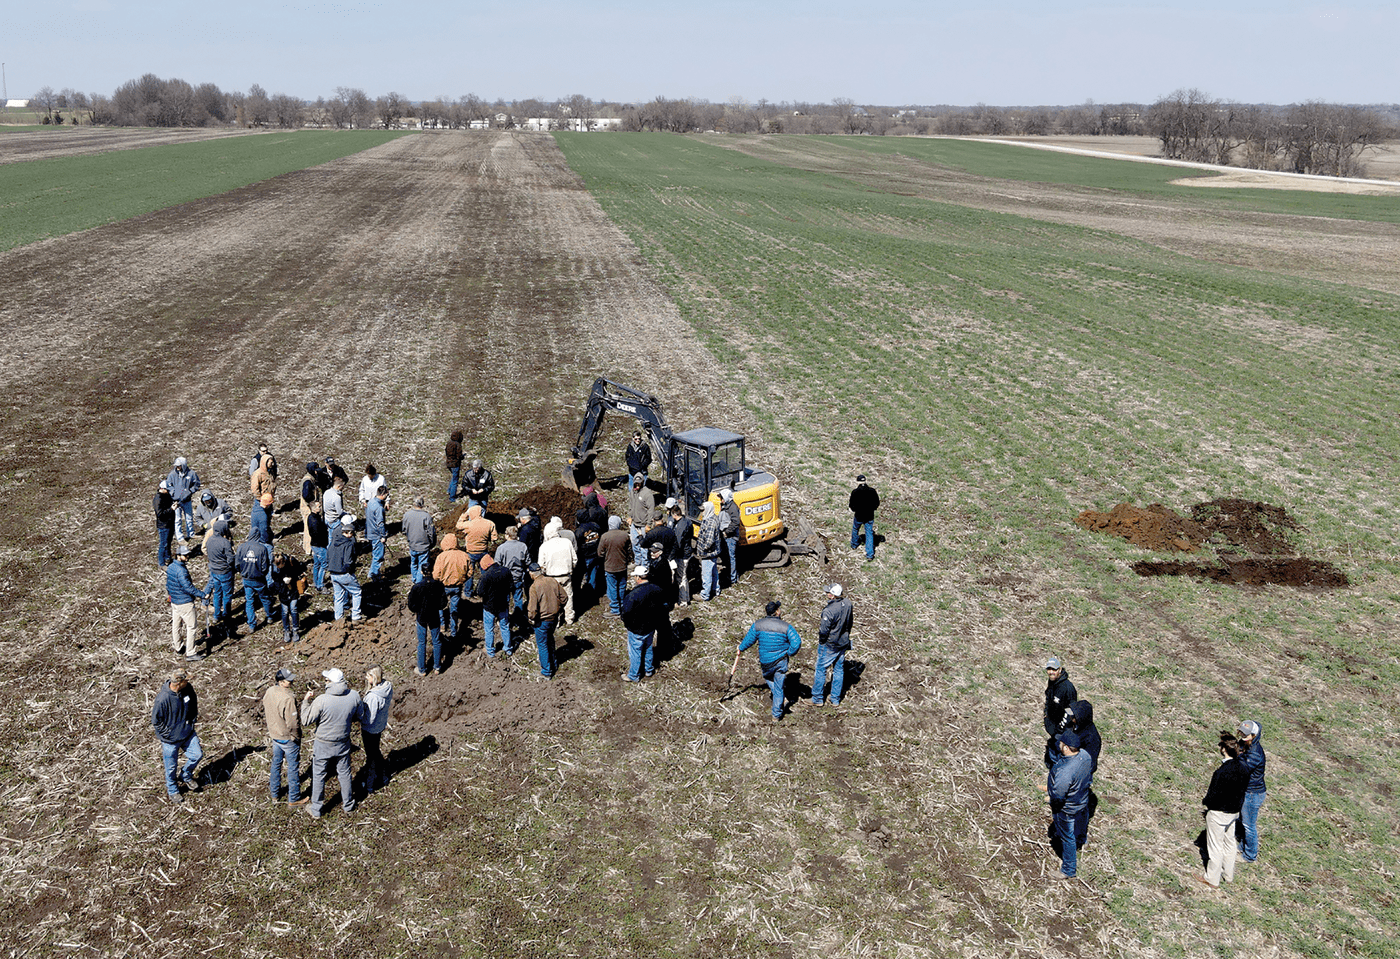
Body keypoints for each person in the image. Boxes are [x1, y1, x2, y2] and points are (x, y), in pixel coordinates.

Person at [300, 667, 363, 818]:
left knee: (319, 774)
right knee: (344, 772)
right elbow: (360, 714)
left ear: (329, 682)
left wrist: (305, 702)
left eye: (326, 679)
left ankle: (316, 809)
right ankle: (348, 804)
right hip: (343, 742)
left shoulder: (322, 700)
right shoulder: (354, 695)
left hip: (323, 743)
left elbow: (305, 720)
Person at [733, 600, 802, 721]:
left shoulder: (758, 625)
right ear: (777, 612)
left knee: (769, 678)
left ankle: (778, 705)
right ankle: (776, 714)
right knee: (779, 686)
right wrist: (790, 652)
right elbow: (796, 642)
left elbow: (749, 640)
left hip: (766, 661)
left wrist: (740, 648)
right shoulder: (786, 626)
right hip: (781, 661)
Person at [1199, 734, 1249, 888]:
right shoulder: (1244, 769)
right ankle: (1228, 875)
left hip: (1218, 813)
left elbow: (1213, 795)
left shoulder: (1221, 772)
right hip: (1234, 813)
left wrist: (1206, 804)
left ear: (1224, 749)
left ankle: (1212, 879)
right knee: (1230, 843)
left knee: (1215, 846)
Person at [1042, 730, 1093, 879]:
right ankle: (1082, 838)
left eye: (1061, 742)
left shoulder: (1065, 771)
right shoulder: (1085, 756)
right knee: (1082, 819)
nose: (1058, 744)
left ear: (1065, 747)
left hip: (1067, 807)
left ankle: (1068, 869)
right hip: (1082, 800)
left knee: (1067, 836)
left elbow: (1059, 794)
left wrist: (1054, 803)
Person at [152, 668, 202, 803]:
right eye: (186, 680)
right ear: (179, 683)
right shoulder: (163, 699)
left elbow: (193, 704)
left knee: (197, 755)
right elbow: (156, 722)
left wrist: (191, 721)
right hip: (170, 741)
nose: (189, 682)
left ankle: (186, 775)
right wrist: (168, 734)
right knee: (171, 767)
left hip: (187, 733)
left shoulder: (188, 689)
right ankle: (173, 790)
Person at [263, 667, 309, 806]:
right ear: (281, 681)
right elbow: (292, 723)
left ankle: (275, 794)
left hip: (275, 735)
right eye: (289, 680)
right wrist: (297, 736)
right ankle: (294, 798)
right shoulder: (288, 698)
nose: (292, 681)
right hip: (287, 738)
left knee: (276, 764)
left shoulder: (270, 691)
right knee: (293, 768)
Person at [620, 564, 666, 682]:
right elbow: (663, 606)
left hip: (636, 628)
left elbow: (626, 613)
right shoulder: (657, 589)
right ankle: (649, 669)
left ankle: (633, 675)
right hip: (651, 626)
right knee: (648, 647)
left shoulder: (633, 595)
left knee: (635, 651)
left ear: (638, 578)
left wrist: (627, 624)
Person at [810, 583, 854, 707]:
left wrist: (822, 641)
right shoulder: (848, 604)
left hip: (830, 645)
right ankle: (835, 699)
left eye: (828, 592)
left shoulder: (828, 611)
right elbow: (850, 622)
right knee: (839, 670)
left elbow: (824, 630)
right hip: (843, 643)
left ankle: (817, 698)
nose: (827, 594)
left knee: (821, 669)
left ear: (832, 595)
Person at [166, 547, 208, 661]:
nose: (187, 557)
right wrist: (202, 594)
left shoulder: (170, 567)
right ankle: (190, 653)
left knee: (176, 625)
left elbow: (168, 585)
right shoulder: (182, 571)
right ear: (178, 555)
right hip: (185, 603)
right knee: (192, 627)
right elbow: (188, 587)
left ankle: (178, 646)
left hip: (175, 602)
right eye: (185, 555)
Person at [526, 562, 566, 679]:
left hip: (542, 621)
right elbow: (564, 597)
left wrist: (531, 618)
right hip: (554, 619)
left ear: (532, 573)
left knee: (542, 645)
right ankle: (554, 664)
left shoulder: (534, 587)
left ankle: (546, 672)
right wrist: (558, 608)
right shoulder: (552, 581)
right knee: (550, 640)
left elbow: (532, 610)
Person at [1237, 719, 1267, 862]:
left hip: (1252, 794)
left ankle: (1250, 855)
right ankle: (1242, 846)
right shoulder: (1245, 744)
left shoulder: (1255, 754)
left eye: (1246, 733)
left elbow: (1242, 769)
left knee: (1249, 826)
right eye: (1241, 731)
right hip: (1247, 791)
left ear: (1254, 735)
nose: (1242, 735)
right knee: (1243, 820)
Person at [360, 666, 393, 794]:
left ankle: (370, 784)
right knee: (376, 750)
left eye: (368, 676)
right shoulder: (387, 687)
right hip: (380, 725)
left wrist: (360, 717)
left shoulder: (373, 697)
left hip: (370, 730)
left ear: (374, 677)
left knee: (371, 756)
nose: (366, 678)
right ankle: (384, 774)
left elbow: (370, 718)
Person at [538, 520, 578, 625]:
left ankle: (556, 621)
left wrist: (545, 572)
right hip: (566, 575)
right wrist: (571, 568)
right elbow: (575, 559)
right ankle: (569, 618)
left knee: (553, 599)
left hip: (551, 577)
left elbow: (541, 564)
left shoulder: (544, 546)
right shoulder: (567, 542)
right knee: (568, 596)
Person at [408, 570, 447, 675]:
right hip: (434, 616)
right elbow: (443, 603)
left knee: (421, 642)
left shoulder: (417, 587)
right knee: (437, 641)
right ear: (432, 571)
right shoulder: (439, 585)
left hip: (421, 617)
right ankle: (437, 667)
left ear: (421, 572)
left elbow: (411, 604)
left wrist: (418, 610)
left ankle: (422, 669)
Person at [237, 533, 276, 635]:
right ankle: (270, 616)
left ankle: (251, 625)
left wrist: (242, 572)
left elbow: (237, 563)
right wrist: (262, 574)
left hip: (247, 579)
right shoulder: (262, 548)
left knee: (249, 601)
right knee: (265, 598)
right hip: (259, 579)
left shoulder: (241, 547)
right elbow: (265, 566)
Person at [327, 513, 363, 622]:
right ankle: (356, 616)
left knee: (338, 597)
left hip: (333, 574)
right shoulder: (349, 544)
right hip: (343, 573)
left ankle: (339, 620)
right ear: (349, 533)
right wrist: (350, 571)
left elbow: (328, 556)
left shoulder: (334, 542)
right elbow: (348, 561)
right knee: (357, 592)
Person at [432, 533, 471, 636]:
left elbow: (436, 575)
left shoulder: (441, 557)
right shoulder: (464, 555)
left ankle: (442, 625)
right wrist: (463, 579)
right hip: (457, 586)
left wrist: (439, 580)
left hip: (443, 586)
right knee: (454, 609)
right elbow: (470, 571)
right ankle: (454, 631)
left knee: (440, 606)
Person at [1042, 657, 1078, 764]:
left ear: (1060, 670)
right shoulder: (1052, 682)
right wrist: (1046, 714)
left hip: (1063, 730)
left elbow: (1071, 710)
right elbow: (1048, 698)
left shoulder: (1068, 688)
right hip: (1053, 726)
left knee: (1061, 753)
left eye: (1054, 669)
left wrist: (1062, 726)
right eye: (1049, 669)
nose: (1051, 672)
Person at [205, 519, 236, 639]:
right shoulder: (225, 543)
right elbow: (230, 559)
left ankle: (217, 616)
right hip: (225, 572)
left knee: (217, 593)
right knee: (227, 594)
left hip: (214, 571)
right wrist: (230, 566)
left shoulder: (209, 540)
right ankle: (226, 615)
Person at [478, 553, 514, 657]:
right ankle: (508, 649)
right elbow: (511, 587)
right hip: (503, 604)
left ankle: (490, 651)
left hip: (489, 607)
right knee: (505, 627)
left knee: (489, 629)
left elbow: (480, 592)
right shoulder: (506, 571)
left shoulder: (486, 576)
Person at [457, 504, 496, 599]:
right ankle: (484, 591)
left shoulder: (469, 525)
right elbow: (494, 538)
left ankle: (468, 592)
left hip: (471, 552)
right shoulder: (490, 523)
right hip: (483, 551)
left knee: (470, 573)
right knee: (485, 572)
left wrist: (463, 516)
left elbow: (458, 526)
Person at [598, 516, 633, 616]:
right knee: (622, 586)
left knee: (612, 587)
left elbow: (600, 553)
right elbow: (629, 550)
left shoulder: (605, 536)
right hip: (622, 565)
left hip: (610, 566)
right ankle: (622, 605)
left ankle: (615, 608)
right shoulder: (625, 535)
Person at [494, 525, 530, 615]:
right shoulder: (523, 546)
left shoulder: (501, 548)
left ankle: (504, 619)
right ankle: (519, 618)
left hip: (505, 579)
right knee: (518, 599)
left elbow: (496, 564)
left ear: (507, 535)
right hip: (518, 576)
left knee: (504, 600)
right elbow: (527, 561)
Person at [166, 456, 201, 543]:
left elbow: (196, 484)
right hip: (176, 502)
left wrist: (190, 491)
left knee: (189, 517)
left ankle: (191, 533)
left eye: (179, 466)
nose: (177, 467)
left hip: (187, 500)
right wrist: (173, 493)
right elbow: (168, 485)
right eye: (176, 466)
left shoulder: (191, 474)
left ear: (184, 465)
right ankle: (180, 537)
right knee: (177, 520)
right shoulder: (172, 475)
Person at [574, 503, 604, 604]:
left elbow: (576, 544)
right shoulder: (596, 526)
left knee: (579, 576)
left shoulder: (579, 531)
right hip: (595, 555)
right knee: (593, 575)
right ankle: (591, 595)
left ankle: (579, 596)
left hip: (584, 556)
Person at [402, 496, 436, 584]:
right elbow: (431, 533)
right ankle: (418, 582)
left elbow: (404, 530)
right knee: (422, 564)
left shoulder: (407, 515)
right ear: (423, 504)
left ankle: (414, 579)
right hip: (424, 546)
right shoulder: (426, 516)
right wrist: (432, 543)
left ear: (414, 503)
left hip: (412, 544)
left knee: (413, 563)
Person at [273, 552, 304, 644]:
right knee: (285, 612)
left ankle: (295, 630)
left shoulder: (291, 562)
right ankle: (286, 630)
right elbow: (275, 582)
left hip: (293, 591)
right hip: (283, 593)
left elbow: (299, 571)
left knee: (294, 610)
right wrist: (282, 583)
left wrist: (292, 578)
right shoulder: (274, 569)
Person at [849, 474, 880, 561]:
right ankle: (870, 554)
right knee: (869, 533)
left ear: (857, 482)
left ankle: (854, 544)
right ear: (865, 481)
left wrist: (855, 510)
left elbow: (851, 505)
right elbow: (876, 503)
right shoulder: (872, 491)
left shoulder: (855, 492)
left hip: (859, 516)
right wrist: (872, 509)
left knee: (855, 529)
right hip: (869, 516)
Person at [668, 503, 694, 607]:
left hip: (682, 554)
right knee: (683, 577)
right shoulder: (687, 521)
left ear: (674, 515)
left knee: (681, 577)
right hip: (687, 551)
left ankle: (683, 601)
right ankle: (686, 597)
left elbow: (677, 544)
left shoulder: (680, 527)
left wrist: (670, 556)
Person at [696, 502, 722, 601]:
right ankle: (716, 590)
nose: (701, 512)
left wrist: (703, 549)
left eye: (703, 510)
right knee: (714, 572)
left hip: (708, 554)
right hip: (713, 553)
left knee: (706, 575)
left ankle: (705, 595)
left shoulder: (710, 523)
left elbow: (709, 541)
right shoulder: (712, 517)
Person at [627, 473, 656, 558]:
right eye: (636, 482)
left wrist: (648, 524)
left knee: (644, 547)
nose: (637, 484)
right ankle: (638, 563)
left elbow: (651, 510)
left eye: (639, 482)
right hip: (634, 524)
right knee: (634, 544)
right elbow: (631, 504)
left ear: (642, 482)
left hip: (643, 525)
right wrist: (630, 516)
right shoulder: (633, 491)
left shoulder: (647, 493)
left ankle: (644, 565)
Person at [718, 488, 742, 587]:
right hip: (725, 535)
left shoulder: (732, 508)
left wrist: (727, 532)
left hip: (731, 537)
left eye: (722, 498)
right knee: (727, 556)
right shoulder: (725, 505)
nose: (721, 500)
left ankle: (733, 578)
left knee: (731, 557)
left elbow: (736, 522)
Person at [365, 485, 389, 581]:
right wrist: (383, 536)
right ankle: (373, 575)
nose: (387, 496)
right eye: (387, 494)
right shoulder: (379, 508)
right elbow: (380, 523)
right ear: (382, 494)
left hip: (370, 532)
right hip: (377, 535)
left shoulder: (371, 502)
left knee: (375, 553)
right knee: (378, 556)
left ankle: (373, 573)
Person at [306, 500, 329, 592]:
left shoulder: (311, 517)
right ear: (314, 508)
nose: (320, 508)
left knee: (316, 564)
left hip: (314, 545)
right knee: (324, 565)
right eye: (319, 506)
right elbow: (318, 534)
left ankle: (316, 581)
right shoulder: (316, 521)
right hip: (320, 546)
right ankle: (320, 584)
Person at [299, 462, 322, 553]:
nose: (317, 472)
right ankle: (308, 549)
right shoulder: (308, 482)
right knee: (308, 528)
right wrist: (313, 505)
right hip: (307, 507)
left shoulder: (311, 478)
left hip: (309, 506)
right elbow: (306, 495)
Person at [154, 480, 175, 567]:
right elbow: (160, 514)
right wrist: (171, 509)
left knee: (168, 542)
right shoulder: (158, 499)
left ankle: (168, 558)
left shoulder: (166, 496)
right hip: (163, 525)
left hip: (169, 523)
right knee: (163, 544)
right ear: (162, 489)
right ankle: (161, 563)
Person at [445, 430, 464, 501]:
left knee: (453, 478)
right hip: (455, 464)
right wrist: (462, 457)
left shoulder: (449, 443)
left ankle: (449, 491)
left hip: (448, 463)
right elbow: (459, 456)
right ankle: (452, 497)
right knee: (455, 481)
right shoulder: (457, 444)